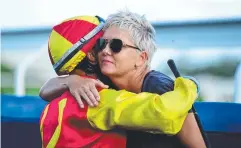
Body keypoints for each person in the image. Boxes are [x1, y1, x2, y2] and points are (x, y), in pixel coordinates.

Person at [40, 12, 204, 148]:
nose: (105, 51)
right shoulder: (97, 95)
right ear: (91, 56)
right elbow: (162, 112)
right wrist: (190, 86)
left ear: (141, 58)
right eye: (102, 44)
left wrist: (70, 80)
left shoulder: (158, 86)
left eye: (116, 45)